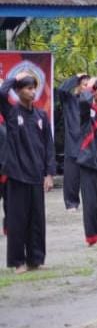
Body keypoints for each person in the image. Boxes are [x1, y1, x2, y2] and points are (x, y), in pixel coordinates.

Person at [1, 72, 54, 272]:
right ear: (17, 91)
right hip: (17, 174)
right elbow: (0, 93)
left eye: (34, 88)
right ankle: (17, 261)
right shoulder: (12, 112)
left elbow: (48, 146)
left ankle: (36, 259)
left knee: (37, 220)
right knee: (17, 220)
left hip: (36, 175)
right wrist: (14, 78)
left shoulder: (41, 115)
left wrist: (49, 174)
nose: (32, 92)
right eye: (27, 88)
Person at [63, 76, 97, 245]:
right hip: (89, 161)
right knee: (91, 202)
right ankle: (92, 237)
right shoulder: (85, 110)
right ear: (94, 92)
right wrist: (89, 87)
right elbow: (84, 100)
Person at [55, 74, 90, 212]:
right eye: (84, 84)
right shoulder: (69, 100)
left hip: (88, 145)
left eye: (89, 85)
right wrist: (76, 77)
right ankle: (71, 203)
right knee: (71, 177)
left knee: (89, 177)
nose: (87, 88)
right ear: (78, 86)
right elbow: (62, 90)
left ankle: (89, 201)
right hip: (73, 143)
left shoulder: (91, 103)